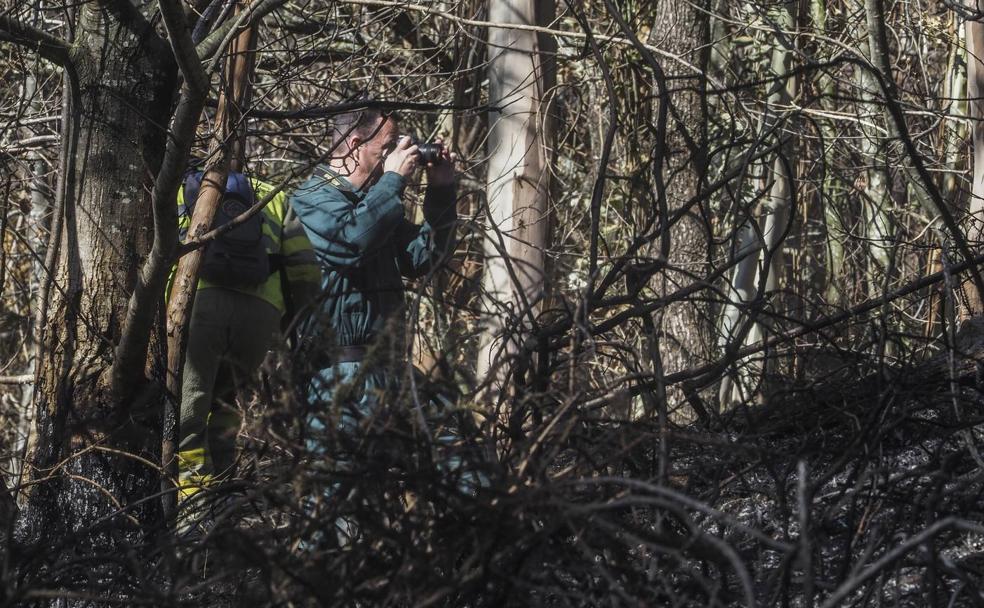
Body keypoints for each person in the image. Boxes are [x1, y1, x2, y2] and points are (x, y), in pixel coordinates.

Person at [289, 109, 458, 432]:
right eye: (389, 145)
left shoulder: (373, 203)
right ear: (355, 144)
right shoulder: (311, 199)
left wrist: (441, 189)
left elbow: (425, 258)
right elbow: (352, 242)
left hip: (389, 369)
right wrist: (394, 180)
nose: (395, 154)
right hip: (338, 374)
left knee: (459, 456)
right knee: (344, 479)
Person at [173, 172, 321, 504]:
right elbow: (306, 272)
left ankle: (193, 508)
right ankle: (222, 500)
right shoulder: (273, 194)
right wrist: (287, 321)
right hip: (259, 315)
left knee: (189, 415)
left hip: (200, 306)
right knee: (225, 409)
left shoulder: (184, 188)